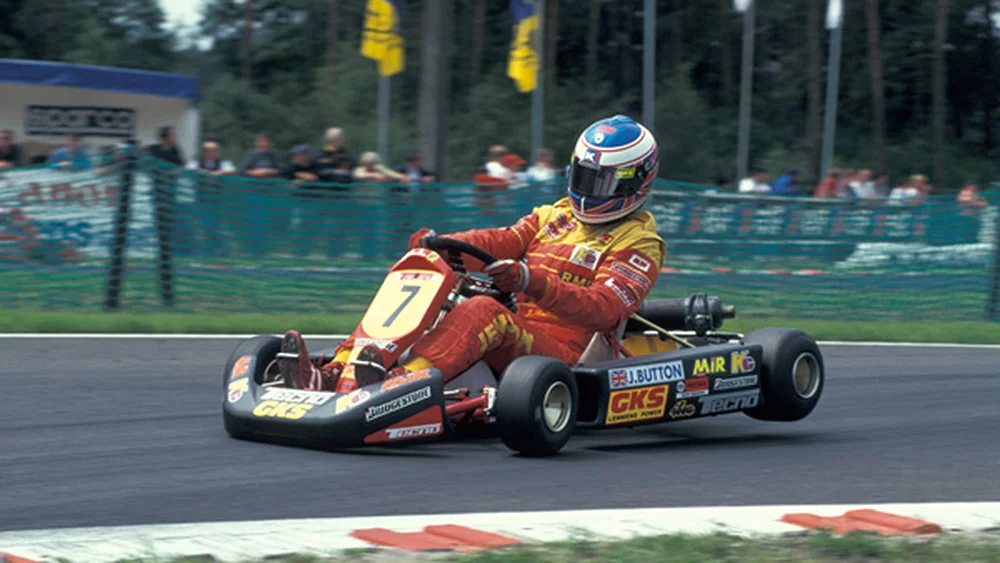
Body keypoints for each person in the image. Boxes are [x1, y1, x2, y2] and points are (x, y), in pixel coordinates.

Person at [278, 115, 666, 393]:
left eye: (600, 181)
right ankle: (334, 374)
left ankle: (398, 387)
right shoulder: (557, 214)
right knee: (440, 294)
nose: (588, 190)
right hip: (520, 339)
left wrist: (532, 281)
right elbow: (500, 240)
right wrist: (441, 244)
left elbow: (606, 308)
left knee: (485, 312)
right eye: (583, 177)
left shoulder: (639, 241)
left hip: (571, 358)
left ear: (634, 181)